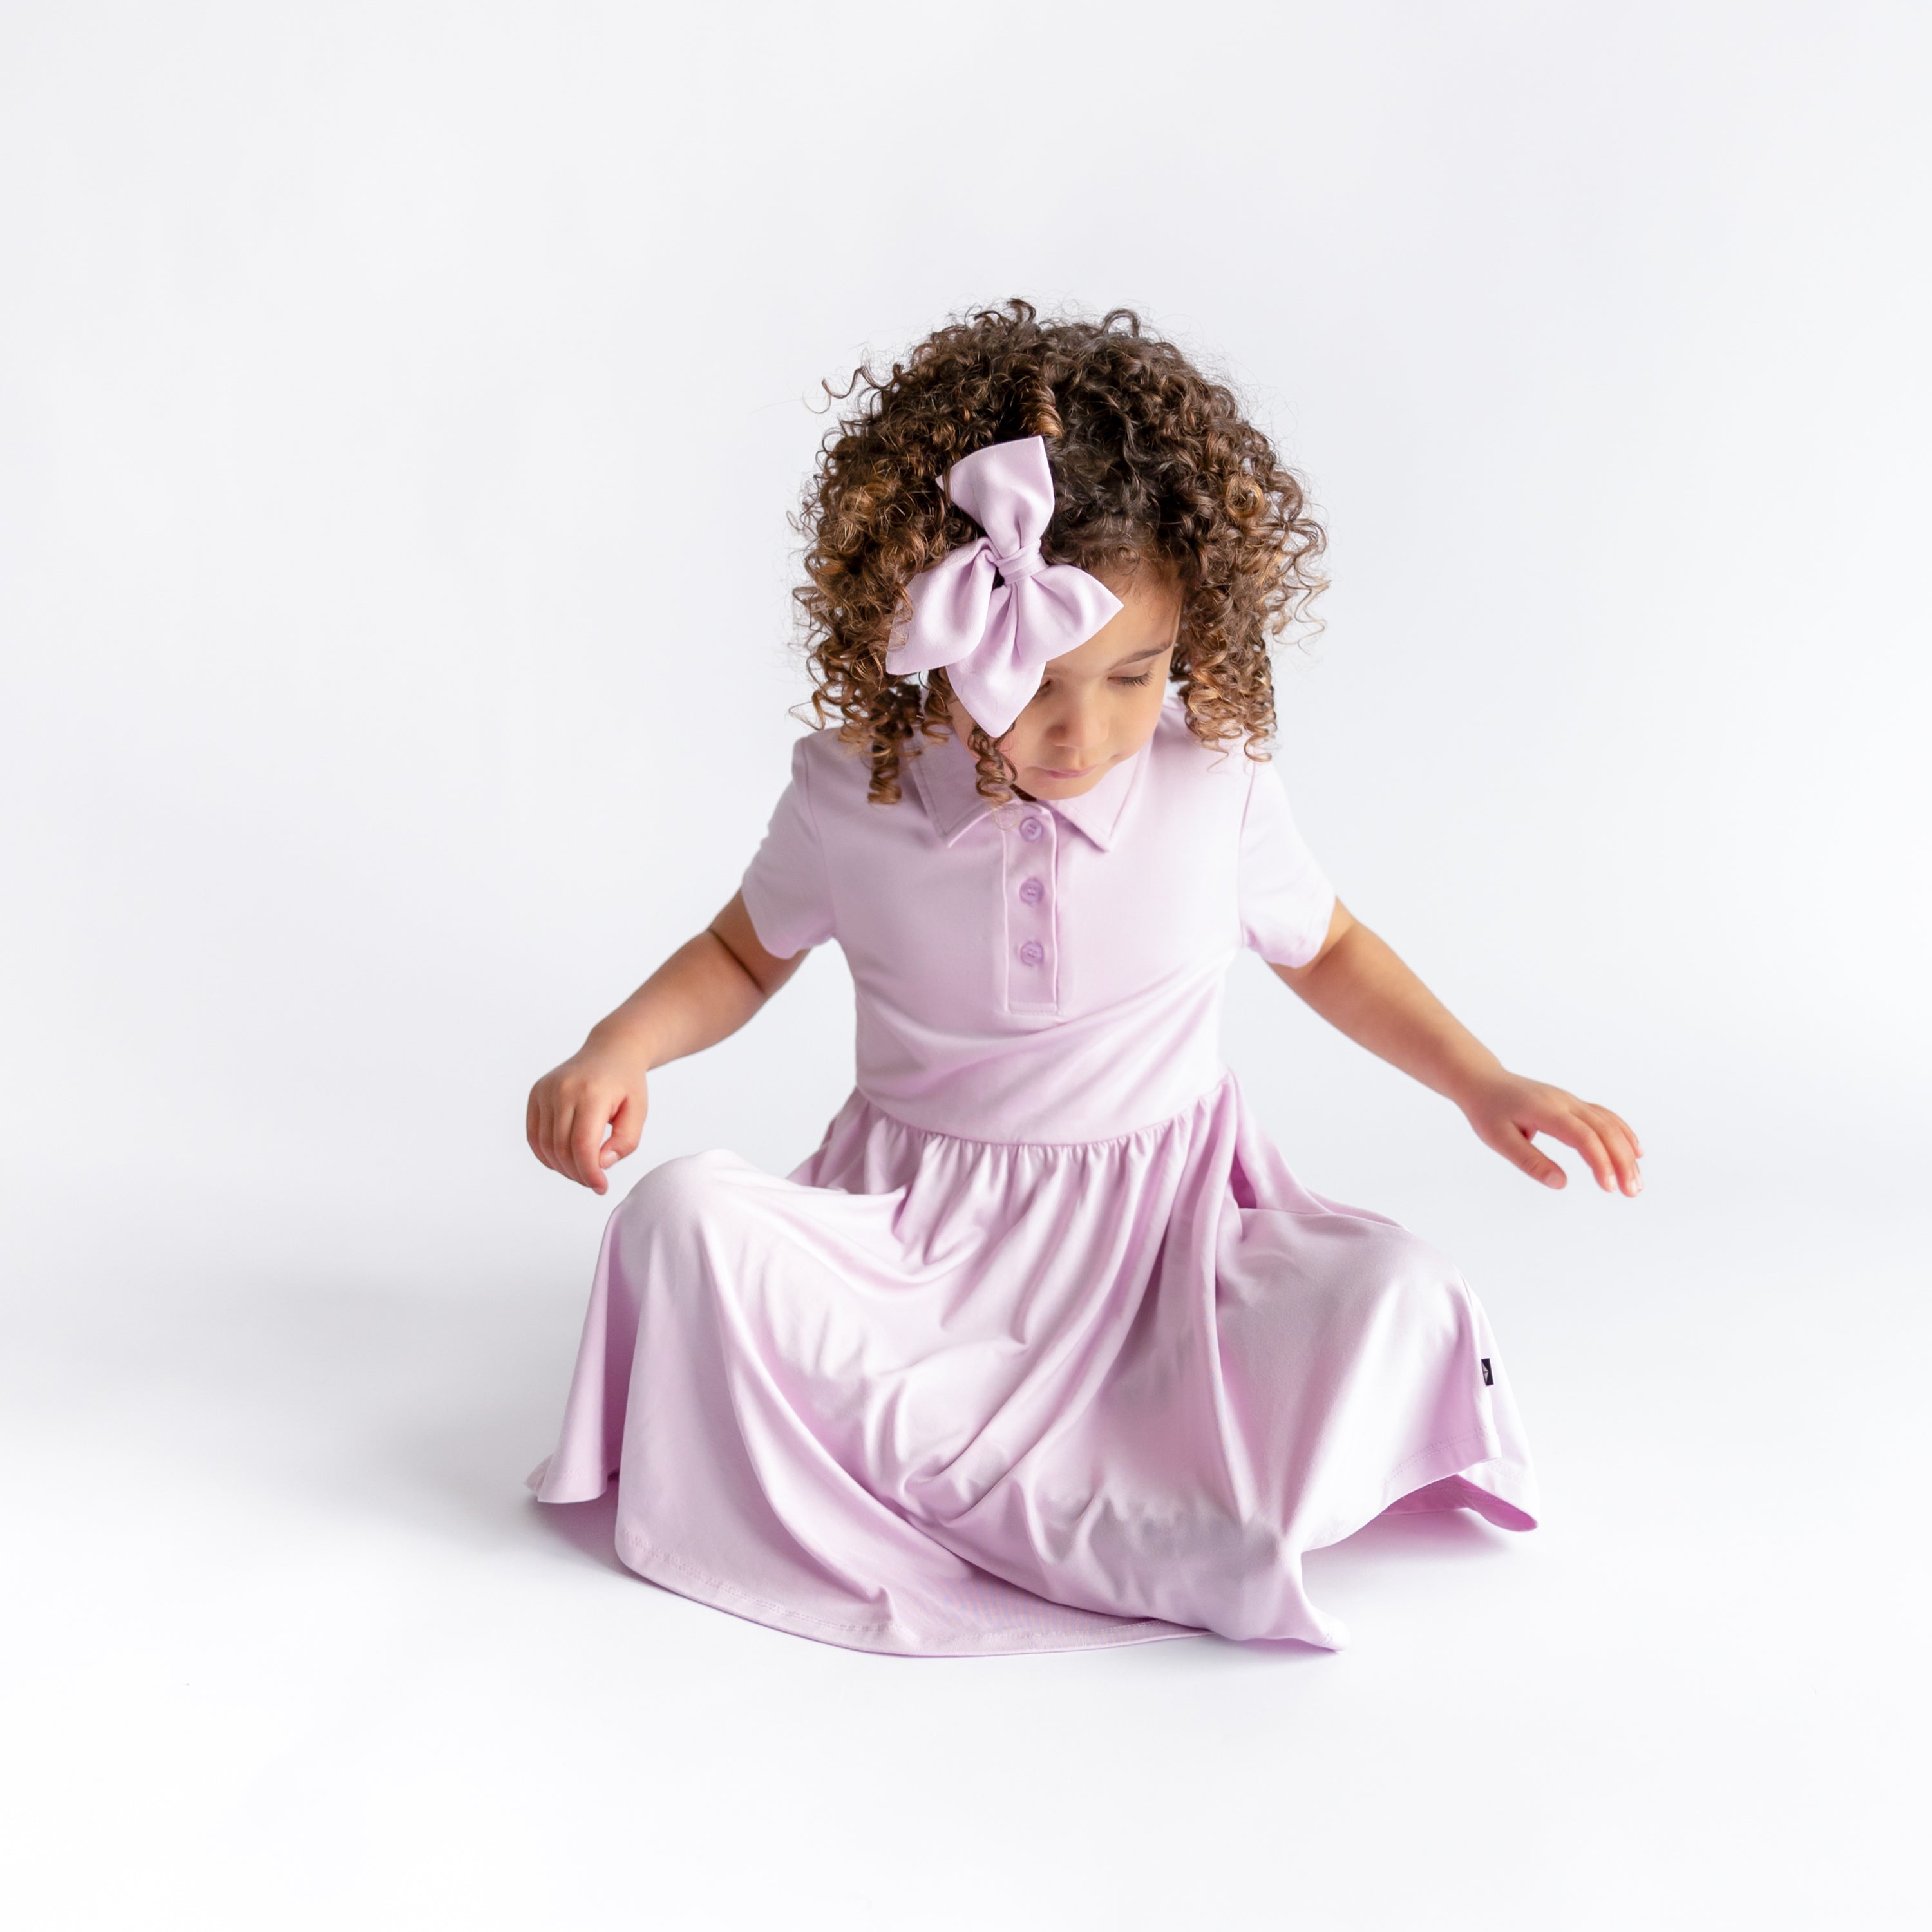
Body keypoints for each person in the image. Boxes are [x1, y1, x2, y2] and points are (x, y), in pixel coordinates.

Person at [522, 301, 1642, 1656]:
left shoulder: (1212, 782)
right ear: (925, 626)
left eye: (1134, 674)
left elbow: (1330, 948)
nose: (1086, 729)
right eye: (1037, 679)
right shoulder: (852, 793)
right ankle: (985, 1498)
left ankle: (1106, 1478)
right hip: (912, 1253)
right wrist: (619, 1046)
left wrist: (1482, 1079)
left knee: (1396, 1290)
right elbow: (737, 955)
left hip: (1158, 1263)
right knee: (677, 1219)